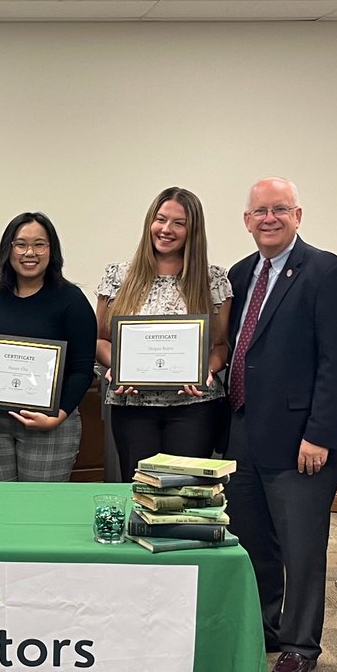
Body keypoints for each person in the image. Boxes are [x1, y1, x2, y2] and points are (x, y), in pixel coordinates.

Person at [224, 177, 337, 672]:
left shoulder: (327, 272)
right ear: (246, 219)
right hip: (241, 431)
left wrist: (322, 434)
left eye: (280, 209)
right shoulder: (240, 274)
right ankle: (267, 625)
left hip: (302, 438)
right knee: (254, 539)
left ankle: (301, 643)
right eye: (260, 211)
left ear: (298, 215)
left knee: (302, 547)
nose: (269, 219)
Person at [94, 187, 233, 480]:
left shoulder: (213, 279)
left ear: (192, 229)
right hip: (132, 404)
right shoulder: (118, 275)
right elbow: (101, 339)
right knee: (140, 489)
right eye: (161, 219)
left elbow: (221, 346)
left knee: (186, 491)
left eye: (178, 223)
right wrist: (117, 367)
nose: (166, 229)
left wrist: (206, 370)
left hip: (193, 407)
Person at [0, 212, 97, 482]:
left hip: (50, 422)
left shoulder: (71, 300)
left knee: (39, 509)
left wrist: (57, 416)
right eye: (20, 243)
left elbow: (82, 368)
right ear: (8, 249)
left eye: (39, 244)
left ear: (52, 250)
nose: (30, 253)